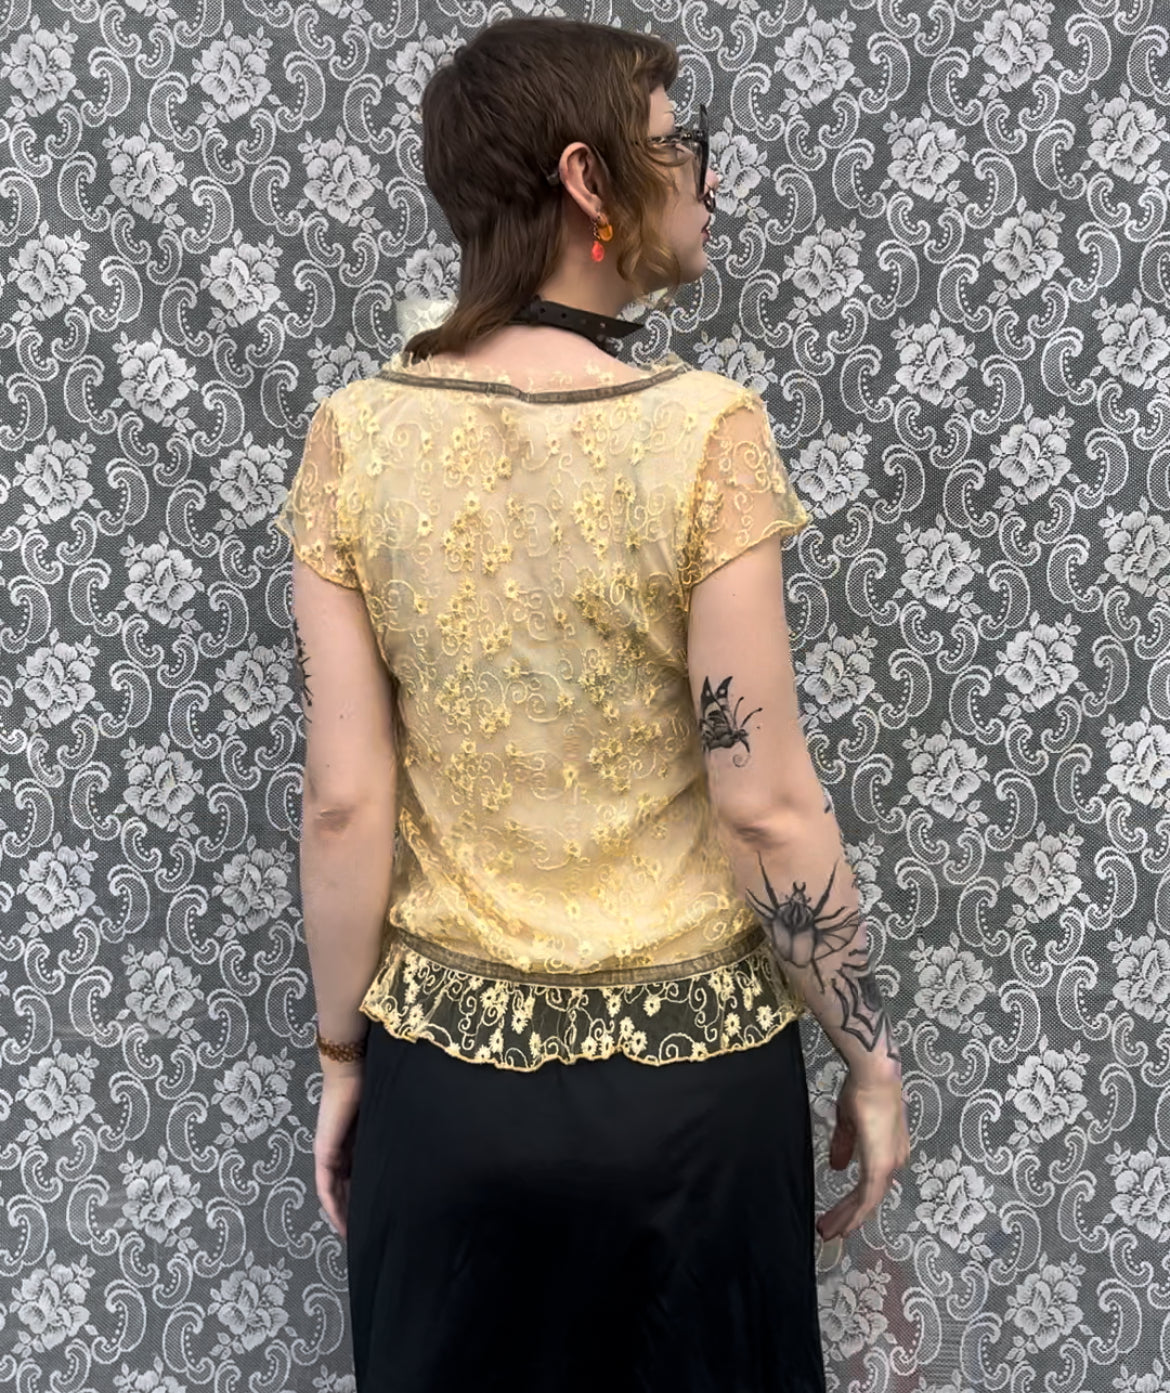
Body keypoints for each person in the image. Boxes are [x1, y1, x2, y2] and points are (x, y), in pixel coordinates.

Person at [273, 14, 910, 1392]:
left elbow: (342, 803)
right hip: (694, 1108)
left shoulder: (354, 438)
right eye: (682, 144)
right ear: (586, 177)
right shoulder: (703, 432)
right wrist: (868, 1058)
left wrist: (341, 1060)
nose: (707, 178)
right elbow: (766, 802)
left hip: (449, 1098)